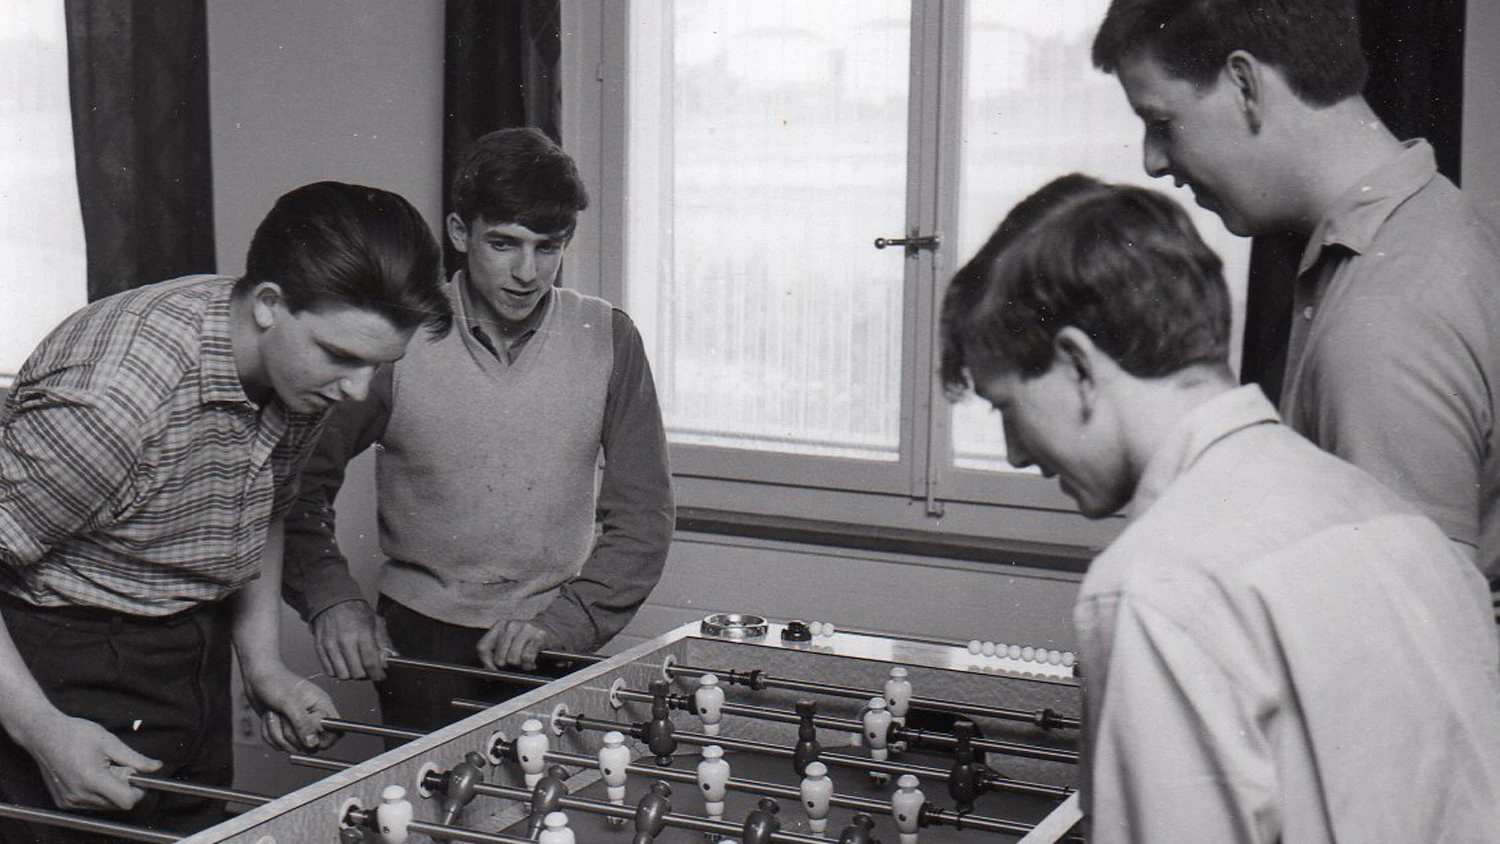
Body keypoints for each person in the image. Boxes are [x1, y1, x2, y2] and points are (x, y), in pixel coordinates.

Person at [939, 174, 1500, 842]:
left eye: (1008, 407)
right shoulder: (1405, 528)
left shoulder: (1155, 588)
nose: (1014, 455)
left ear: (1079, 366)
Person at [0, 181, 452, 842]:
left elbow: (261, 505)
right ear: (269, 303)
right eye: (342, 357)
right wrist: (42, 733)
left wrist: (262, 664)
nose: (356, 390)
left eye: (376, 367)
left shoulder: (299, 374)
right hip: (54, 669)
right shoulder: (115, 400)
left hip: (189, 656)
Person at [1090, 0, 1500, 587]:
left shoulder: (1386, 312)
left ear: (1244, 84)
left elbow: (1406, 643)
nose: (1154, 162)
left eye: (1160, 122)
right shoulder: (1442, 229)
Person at [282, 127, 674, 735]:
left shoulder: (609, 336)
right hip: (421, 644)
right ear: (461, 234)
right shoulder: (397, 339)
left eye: (548, 247)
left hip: (554, 632)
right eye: (503, 243)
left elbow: (644, 519)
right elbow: (294, 486)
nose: (526, 272)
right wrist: (332, 598)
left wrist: (566, 625)